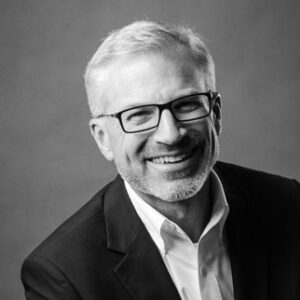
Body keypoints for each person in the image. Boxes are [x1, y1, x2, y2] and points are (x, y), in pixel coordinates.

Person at [21, 20, 300, 300]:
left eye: (187, 104)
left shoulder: (290, 205)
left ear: (215, 115)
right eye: (139, 115)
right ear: (103, 138)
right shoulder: (63, 277)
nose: (170, 135)